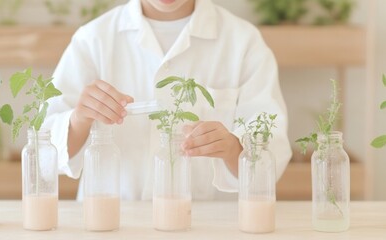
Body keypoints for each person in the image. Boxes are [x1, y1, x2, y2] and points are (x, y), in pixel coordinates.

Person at [44, 0, 292, 200]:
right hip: (111, 219)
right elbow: (45, 151)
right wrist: (79, 119)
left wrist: (233, 149)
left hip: (209, 224)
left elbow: (271, 155)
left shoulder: (243, 41)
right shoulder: (93, 39)